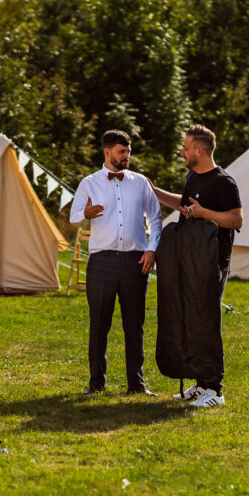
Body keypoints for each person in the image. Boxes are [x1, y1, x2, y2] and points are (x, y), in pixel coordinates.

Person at [150, 124, 242, 408]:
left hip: (213, 261)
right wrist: (154, 192)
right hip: (189, 260)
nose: (182, 152)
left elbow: (236, 220)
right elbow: (185, 205)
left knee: (207, 322)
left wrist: (205, 214)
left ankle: (215, 389)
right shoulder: (193, 178)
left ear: (199, 150)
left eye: (186, 148)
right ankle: (201, 383)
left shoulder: (223, 182)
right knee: (191, 319)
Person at [69, 130, 162, 396]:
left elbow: (156, 220)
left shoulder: (141, 182)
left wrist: (152, 250)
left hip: (136, 262)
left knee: (135, 324)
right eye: (122, 152)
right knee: (99, 324)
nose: (127, 157)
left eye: (128, 152)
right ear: (107, 152)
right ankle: (96, 382)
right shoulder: (89, 183)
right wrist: (85, 213)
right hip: (101, 262)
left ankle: (137, 384)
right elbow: (75, 216)